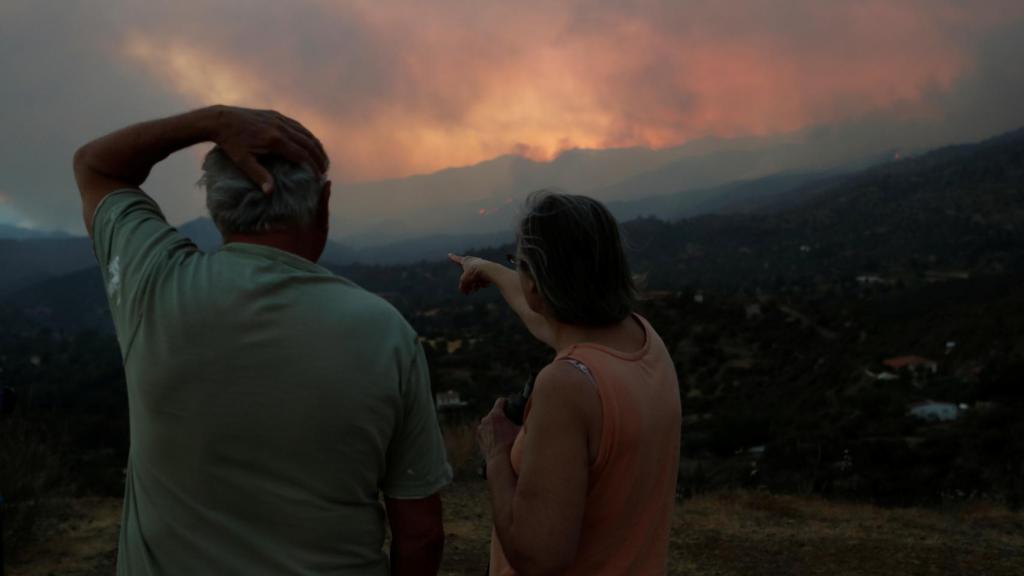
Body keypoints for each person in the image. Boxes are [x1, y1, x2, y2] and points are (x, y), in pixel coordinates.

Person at [73, 105, 452, 575]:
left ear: (215, 208)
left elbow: (95, 164)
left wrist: (208, 122)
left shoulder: (154, 285)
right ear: (324, 204)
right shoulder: (386, 331)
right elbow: (421, 535)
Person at [449, 191, 682, 575]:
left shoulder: (567, 386)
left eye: (519, 265)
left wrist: (496, 455)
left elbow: (539, 556)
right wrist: (487, 268)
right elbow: (537, 312)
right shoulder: (645, 342)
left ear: (538, 284)